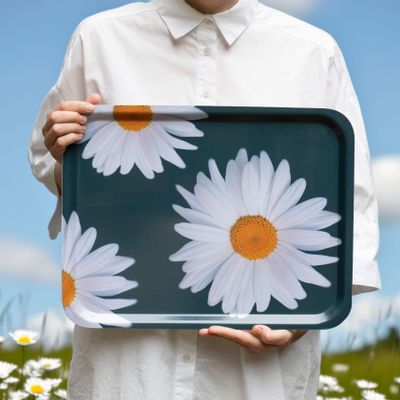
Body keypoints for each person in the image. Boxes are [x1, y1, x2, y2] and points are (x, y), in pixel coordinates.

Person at [28, 0, 381, 398]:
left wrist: (300, 318)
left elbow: (349, 195)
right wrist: (64, 154)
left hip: (256, 366)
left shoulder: (312, 52)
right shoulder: (99, 39)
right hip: (127, 367)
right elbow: (51, 162)